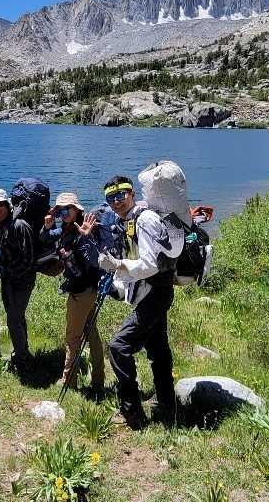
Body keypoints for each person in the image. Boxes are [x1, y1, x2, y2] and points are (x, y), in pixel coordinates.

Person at [98, 175, 180, 429]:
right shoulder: (130, 221)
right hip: (154, 292)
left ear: (132, 193)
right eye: (110, 198)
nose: (116, 202)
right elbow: (139, 260)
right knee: (158, 350)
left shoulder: (144, 220)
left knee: (118, 346)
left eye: (120, 195)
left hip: (155, 294)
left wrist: (118, 265)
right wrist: (118, 286)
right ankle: (167, 404)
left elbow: (149, 265)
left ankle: (132, 411)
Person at [39, 192, 106, 394]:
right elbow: (44, 238)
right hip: (85, 290)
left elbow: (94, 258)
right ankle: (98, 381)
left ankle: (69, 381)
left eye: (68, 208)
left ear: (77, 209)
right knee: (91, 334)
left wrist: (86, 236)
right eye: (60, 209)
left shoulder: (84, 230)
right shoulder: (64, 230)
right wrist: (47, 225)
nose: (64, 212)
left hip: (82, 292)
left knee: (73, 337)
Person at [0, 188, 37, 369]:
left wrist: (4, 271)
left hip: (23, 281)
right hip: (6, 280)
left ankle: (22, 360)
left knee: (13, 320)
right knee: (17, 318)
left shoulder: (20, 226)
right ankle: (23, 352)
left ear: (7, 205)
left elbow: (29, 260)